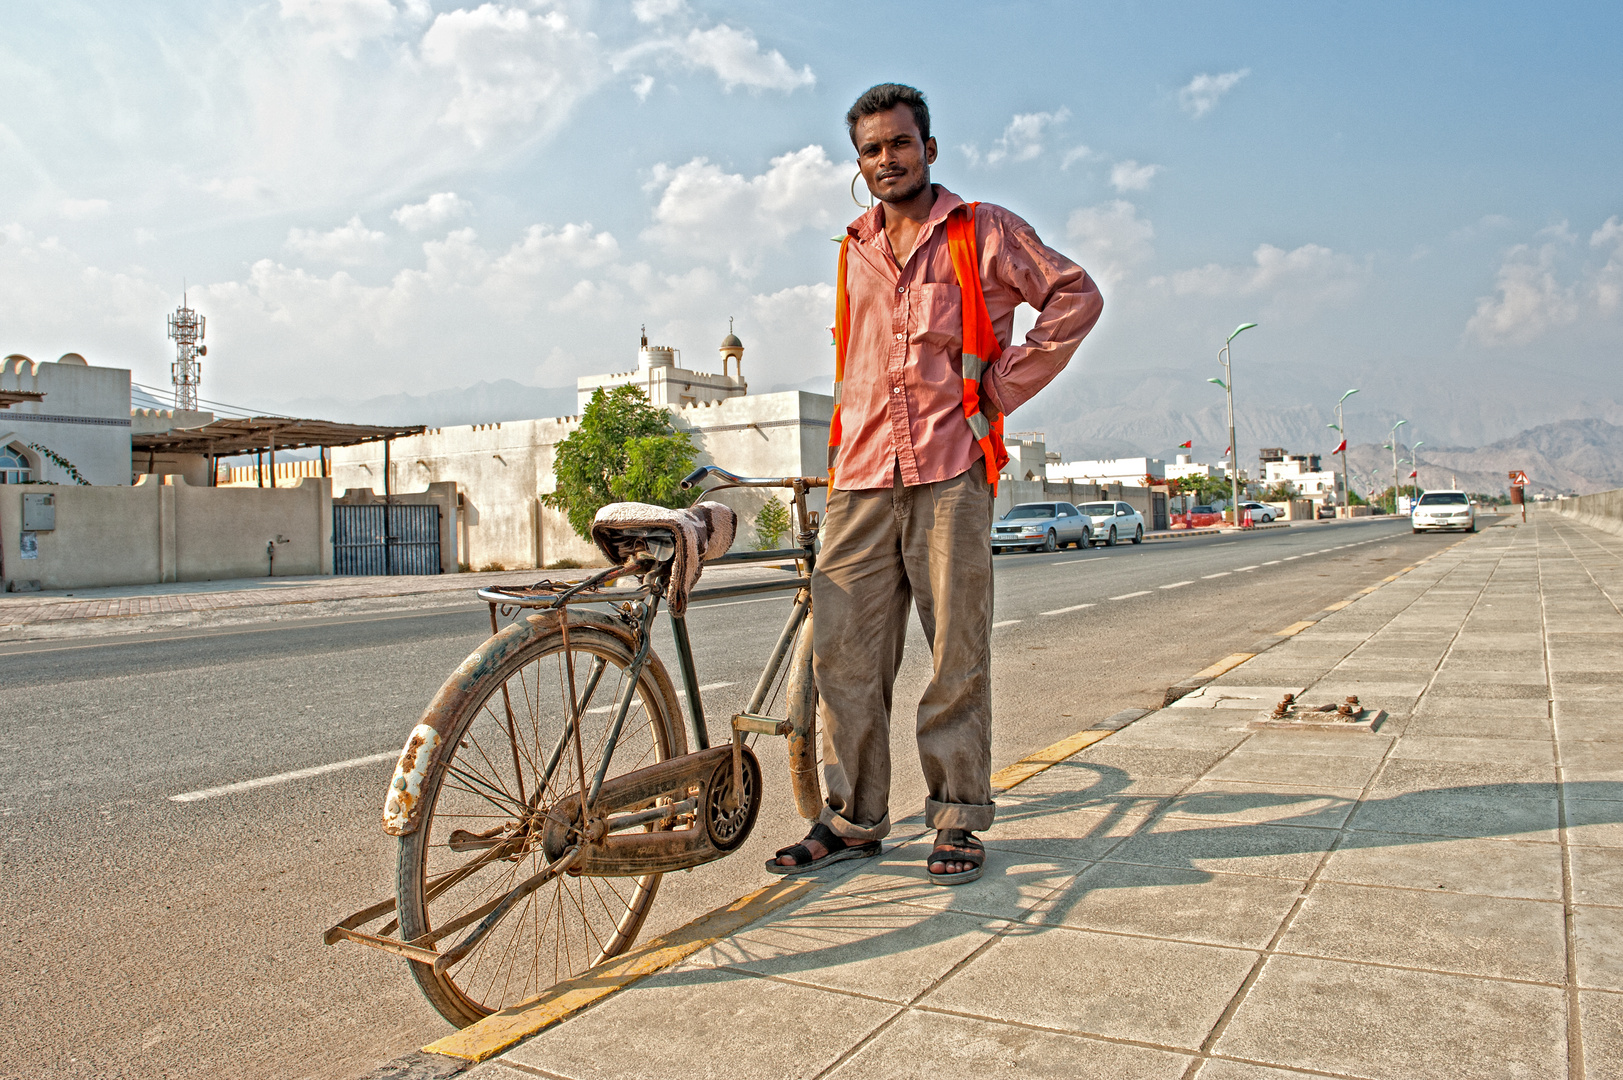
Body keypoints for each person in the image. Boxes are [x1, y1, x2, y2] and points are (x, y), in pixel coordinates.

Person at [768, 84, 1102, 884]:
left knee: (954, 654)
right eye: (872, 149)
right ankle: (852, 820)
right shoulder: (853, 245)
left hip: (950, 469)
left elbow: (1073, 294)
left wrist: (999, 389)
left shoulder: (980, 229)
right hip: (858, 475)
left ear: (929, 148)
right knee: (843, 658)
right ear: (859, 163)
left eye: (900, 143)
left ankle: (955, 817)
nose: (887, 158)